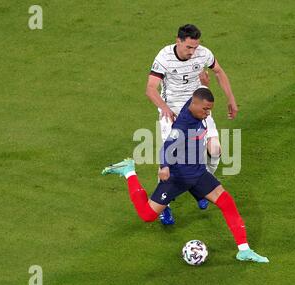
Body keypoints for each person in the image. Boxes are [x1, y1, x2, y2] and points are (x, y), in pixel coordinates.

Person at [102, 88, 268, 263]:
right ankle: (129, 171)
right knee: (147, 215)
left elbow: (199, 93)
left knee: (227, 202)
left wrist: (205, 82)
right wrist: (164, 166)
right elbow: (167, 146)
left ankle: (244, 250)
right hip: (178, 177)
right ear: (194, 105)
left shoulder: (195, 106)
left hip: (198, 173)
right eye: (205, 109)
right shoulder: (183, 124)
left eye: (210, 109)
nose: (208, 113)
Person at [146, 24, 239, 225]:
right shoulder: (164, 58)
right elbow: (151, 89)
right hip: (172, 112)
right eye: (189, 47)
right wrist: (165, 108)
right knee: (170, 161)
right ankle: (165, 207)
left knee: (215, 149)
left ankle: (203, 189)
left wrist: (231, 98)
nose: (192, 52)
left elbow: (219, 72)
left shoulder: (203, 54)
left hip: (198, 109)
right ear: (178, 41)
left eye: (195, 47)